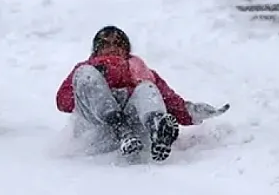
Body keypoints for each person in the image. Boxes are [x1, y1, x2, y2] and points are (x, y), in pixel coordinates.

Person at [55, 26, 229, 161]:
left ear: (126, 49)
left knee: (147, 87)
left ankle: (157, 130)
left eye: (117, 44)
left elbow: (167, 99)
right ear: (96, 50)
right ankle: (120, 129)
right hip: (97, 127)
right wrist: (99, 83)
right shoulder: (87, 69)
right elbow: (63, 102)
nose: (112, 48)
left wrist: (192, 111)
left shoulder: (141, 70)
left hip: (135, 131)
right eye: (106, 44)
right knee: (85, 75)